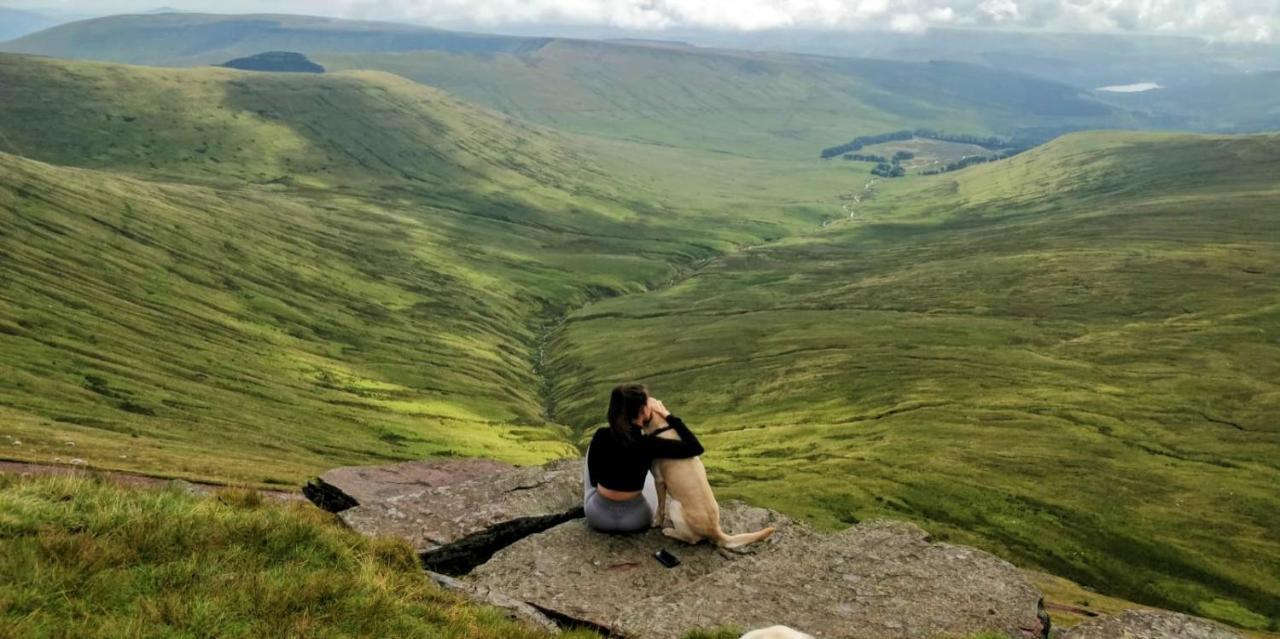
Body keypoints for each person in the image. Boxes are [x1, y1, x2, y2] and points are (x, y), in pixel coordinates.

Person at [582, 382, 704, 533]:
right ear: (642, 410)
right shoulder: (648, 443)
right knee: (653, 471)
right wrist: (668, 415)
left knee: (590, 452)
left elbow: (594, 480)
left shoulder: (601, 435)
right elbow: (695, 448)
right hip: (637, 519)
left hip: (597, 517)